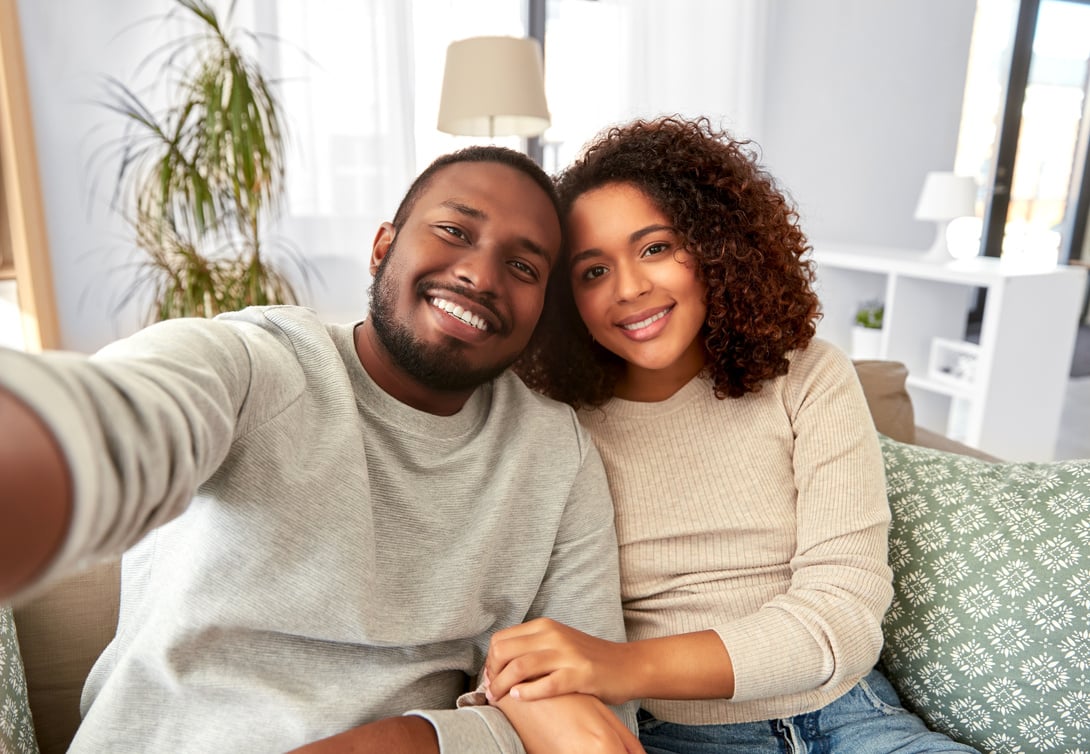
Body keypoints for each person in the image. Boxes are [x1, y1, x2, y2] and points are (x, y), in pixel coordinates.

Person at [0, 146, 641, 753]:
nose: (478, 275)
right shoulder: (262, 364)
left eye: (523, 267)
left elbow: (592, 712)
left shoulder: (555, 453)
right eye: (454, 231)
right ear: (382, 246)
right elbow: (122, 415)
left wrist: (397, 744)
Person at [485, 117, 979, 753]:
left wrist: (617, 665)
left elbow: (844, 618)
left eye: (655, 248)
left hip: (853, 718)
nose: (630, 289)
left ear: (717, 246)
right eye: (592, 271)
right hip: (674, 736)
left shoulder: (808, 377)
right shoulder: (556, 422)